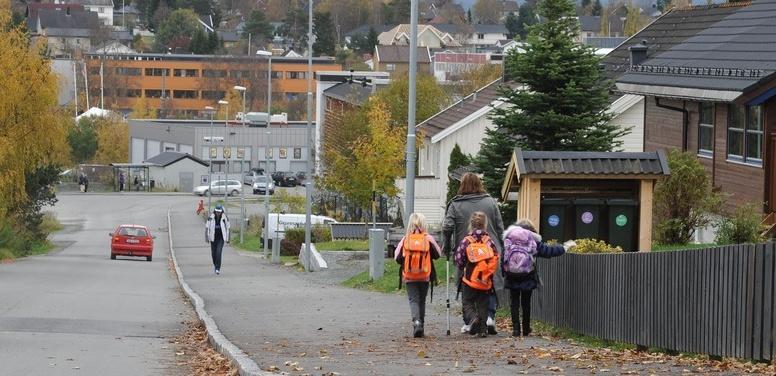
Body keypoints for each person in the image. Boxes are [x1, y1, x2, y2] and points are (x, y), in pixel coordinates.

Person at [443, 172, 505, 335]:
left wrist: (447, 245)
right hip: (490, 251)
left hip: (468, 253)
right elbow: (500, 227)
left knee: (468, 285)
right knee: (488, 283)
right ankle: (489, 317)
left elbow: (447, 226)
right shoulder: (491, 202)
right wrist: (502, 247)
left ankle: (470, 320)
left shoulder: (455, 204)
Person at [502, 219, 574, 337]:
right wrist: (564, 247)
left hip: (512, 275)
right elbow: (548, 251)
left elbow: (503, 257)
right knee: (526, 302)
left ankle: (515, 329)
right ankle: (525, 329)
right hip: (527, 274)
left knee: (514, 302)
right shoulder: (532, 240)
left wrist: (505, 272)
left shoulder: (509, 238)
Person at [394, 213, 441, 338]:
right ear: (424, 225)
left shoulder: (406, 239)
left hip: (409, 276)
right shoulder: (428, 238)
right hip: (425, 276)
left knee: (413, 300)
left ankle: (416, 322)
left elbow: (397, 257)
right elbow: (438, 254)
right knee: (422, 301)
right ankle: (422, 326)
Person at [455, 212, 499, 337]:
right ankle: (483, 330)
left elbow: (459, 260)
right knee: (483, 304)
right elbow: (495, 257)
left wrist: (463, 266)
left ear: (471, 224)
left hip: (469, 279)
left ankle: (473, 319)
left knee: (468, 302)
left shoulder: (466, 241)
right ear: (485, 224)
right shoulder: (489, 241)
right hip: (485, 279)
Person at [205, 204, 230, 275]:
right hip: (213, 238)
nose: (218, 213)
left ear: (222, 211)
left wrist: (228, 239)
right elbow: (207, 227)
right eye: (217, 212)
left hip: (221, 238)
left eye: (219, 212)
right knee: (214, 254)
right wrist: (207, 237)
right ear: (215, 211)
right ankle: (215, 265)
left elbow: (228, 228)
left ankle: (217, 268)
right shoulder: (211, 217)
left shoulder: (225, 218)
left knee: (218, 252)